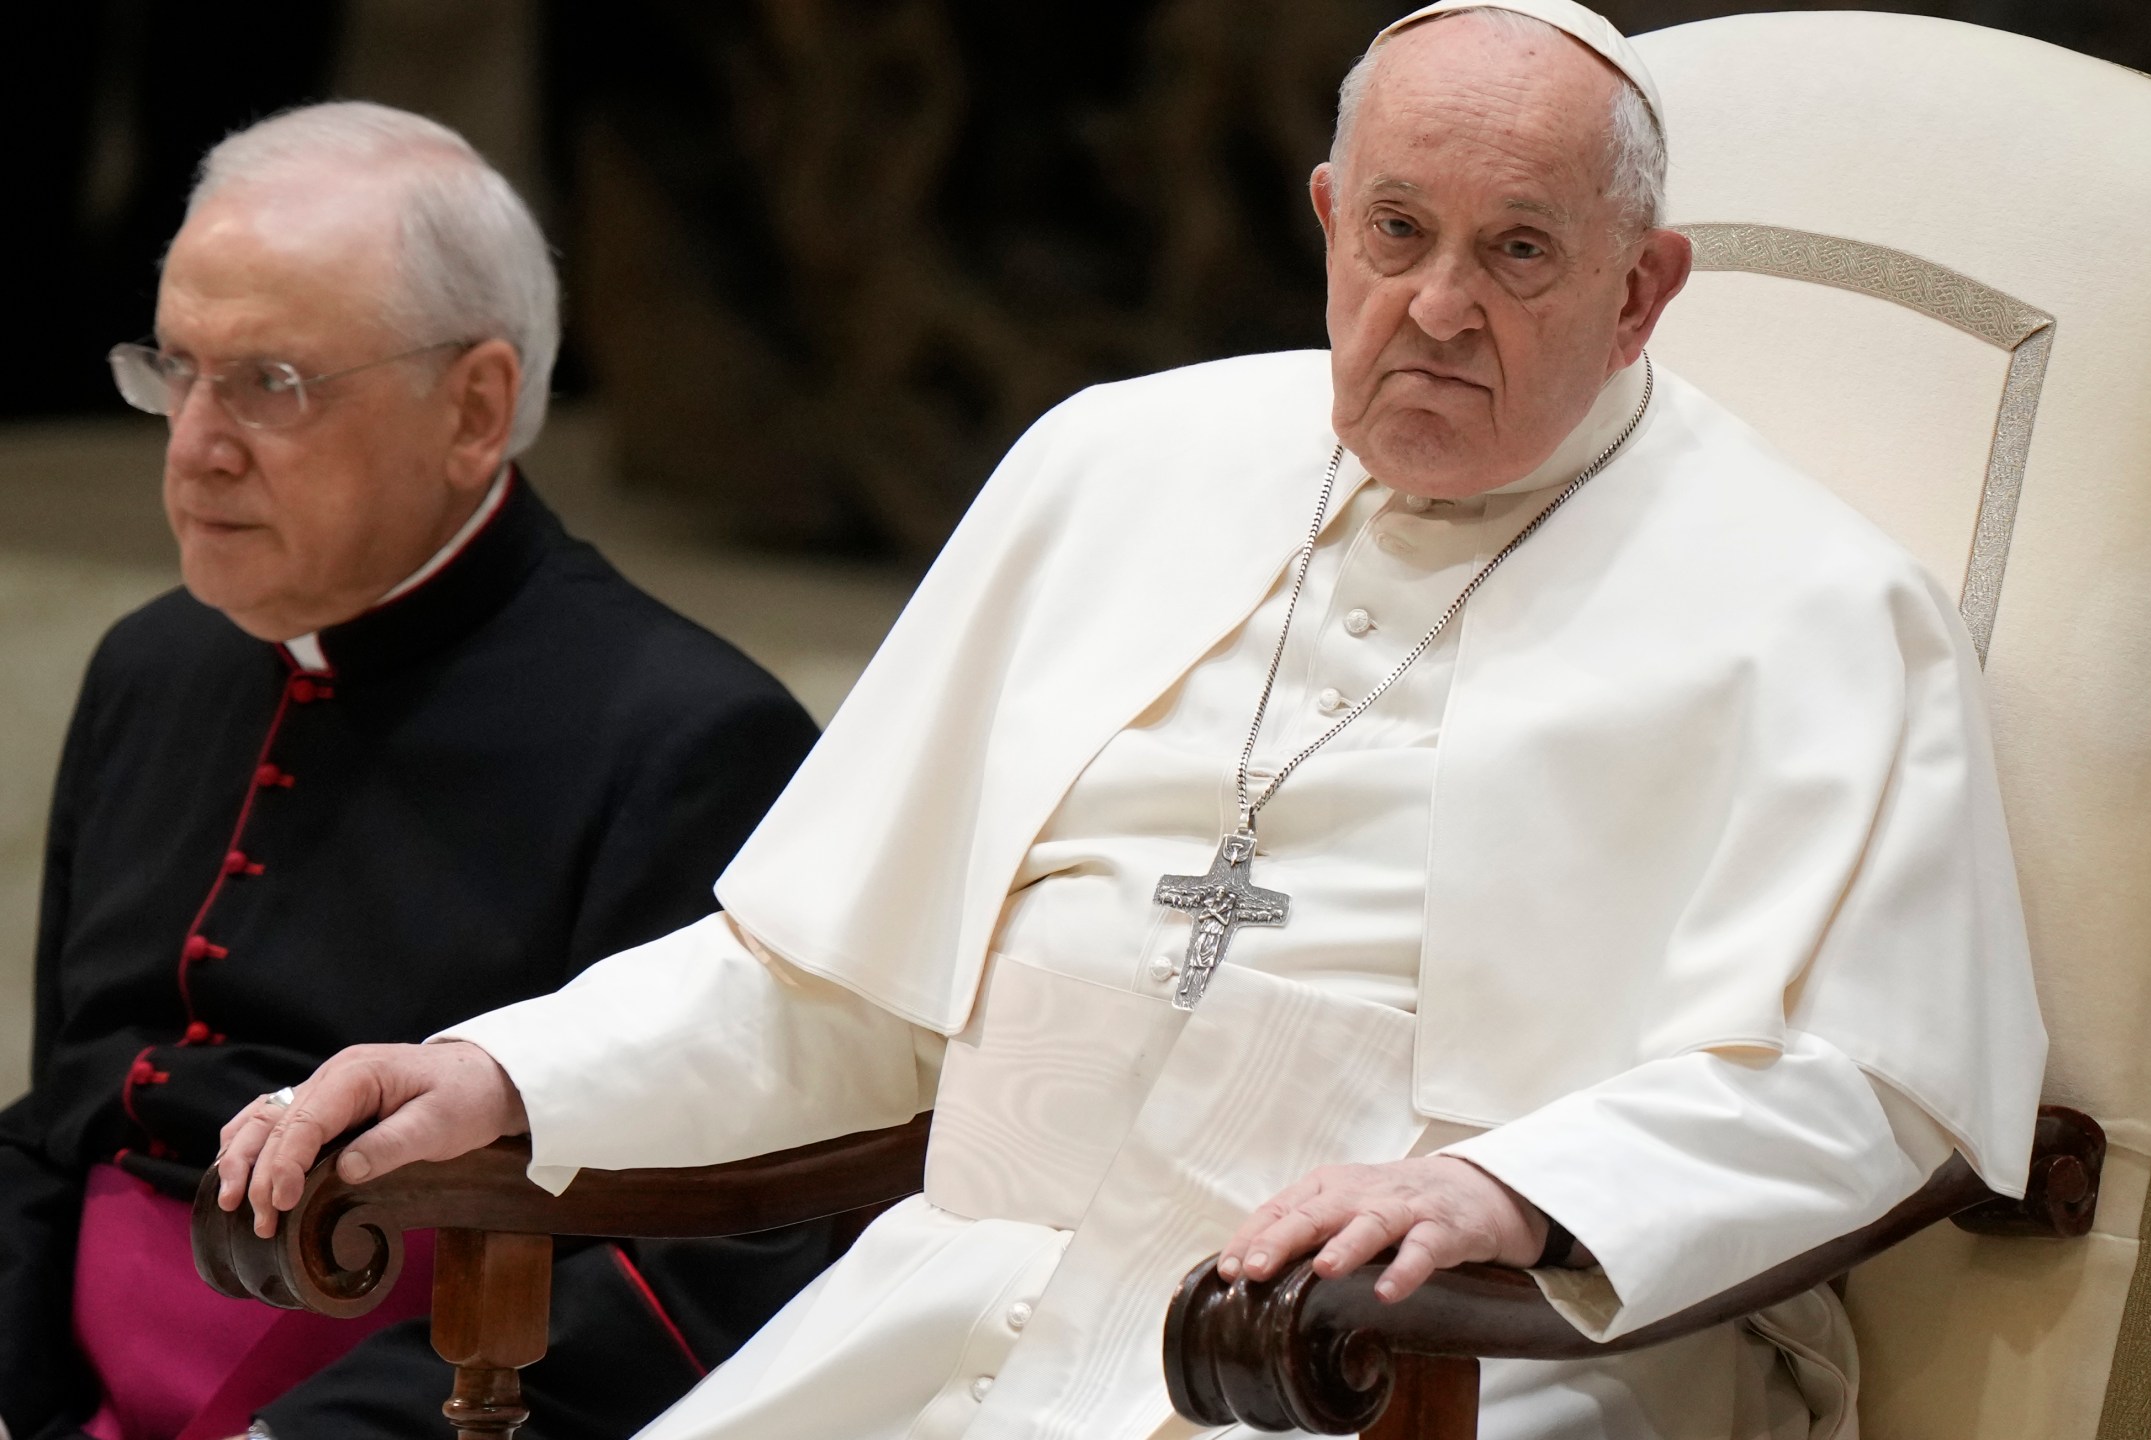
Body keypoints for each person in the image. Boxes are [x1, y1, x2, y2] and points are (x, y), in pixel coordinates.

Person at [223, 6, 2049, 1438]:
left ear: (1642, 291)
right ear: (1328, 221)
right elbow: (836, 984)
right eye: (1398, 232)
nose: (1434, 309)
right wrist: (516, 1073)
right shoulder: (1112, 465)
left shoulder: (1813, 608)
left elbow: (1865, 1086)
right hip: (960, 1313)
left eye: (1519, 256)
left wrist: (1512, 1190)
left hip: (1452, 1371)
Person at [0, 103, 836, 1440]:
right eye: (174, 369)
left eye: (270, 383)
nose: (196, 442)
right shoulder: (151, 668)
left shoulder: (688, 739)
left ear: (476, 407)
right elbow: (68, 1112)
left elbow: (714, 1257)